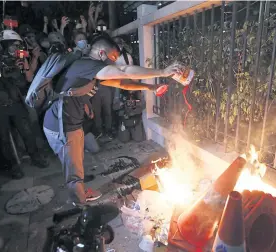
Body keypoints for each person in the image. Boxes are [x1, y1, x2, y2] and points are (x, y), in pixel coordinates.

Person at [43, 35, 181, 207]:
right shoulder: (88, 66)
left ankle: (80, 193)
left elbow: (123, 83)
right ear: (102, 53)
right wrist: (162, 72)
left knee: (77, 163)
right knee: (74, 170)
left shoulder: (91, 69)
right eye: (113, 58)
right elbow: (124, 71)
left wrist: (150, 87)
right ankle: (81, 206)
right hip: (61, 125)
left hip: (71, 122)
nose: (115, 62)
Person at [0, 29, 49, 179]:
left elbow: (21, 82)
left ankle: (36, 157)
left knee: (27, 132)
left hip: (15, 102)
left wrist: (16, 66)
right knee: (4, 139)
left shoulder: (8, 58)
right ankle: (14, 167)